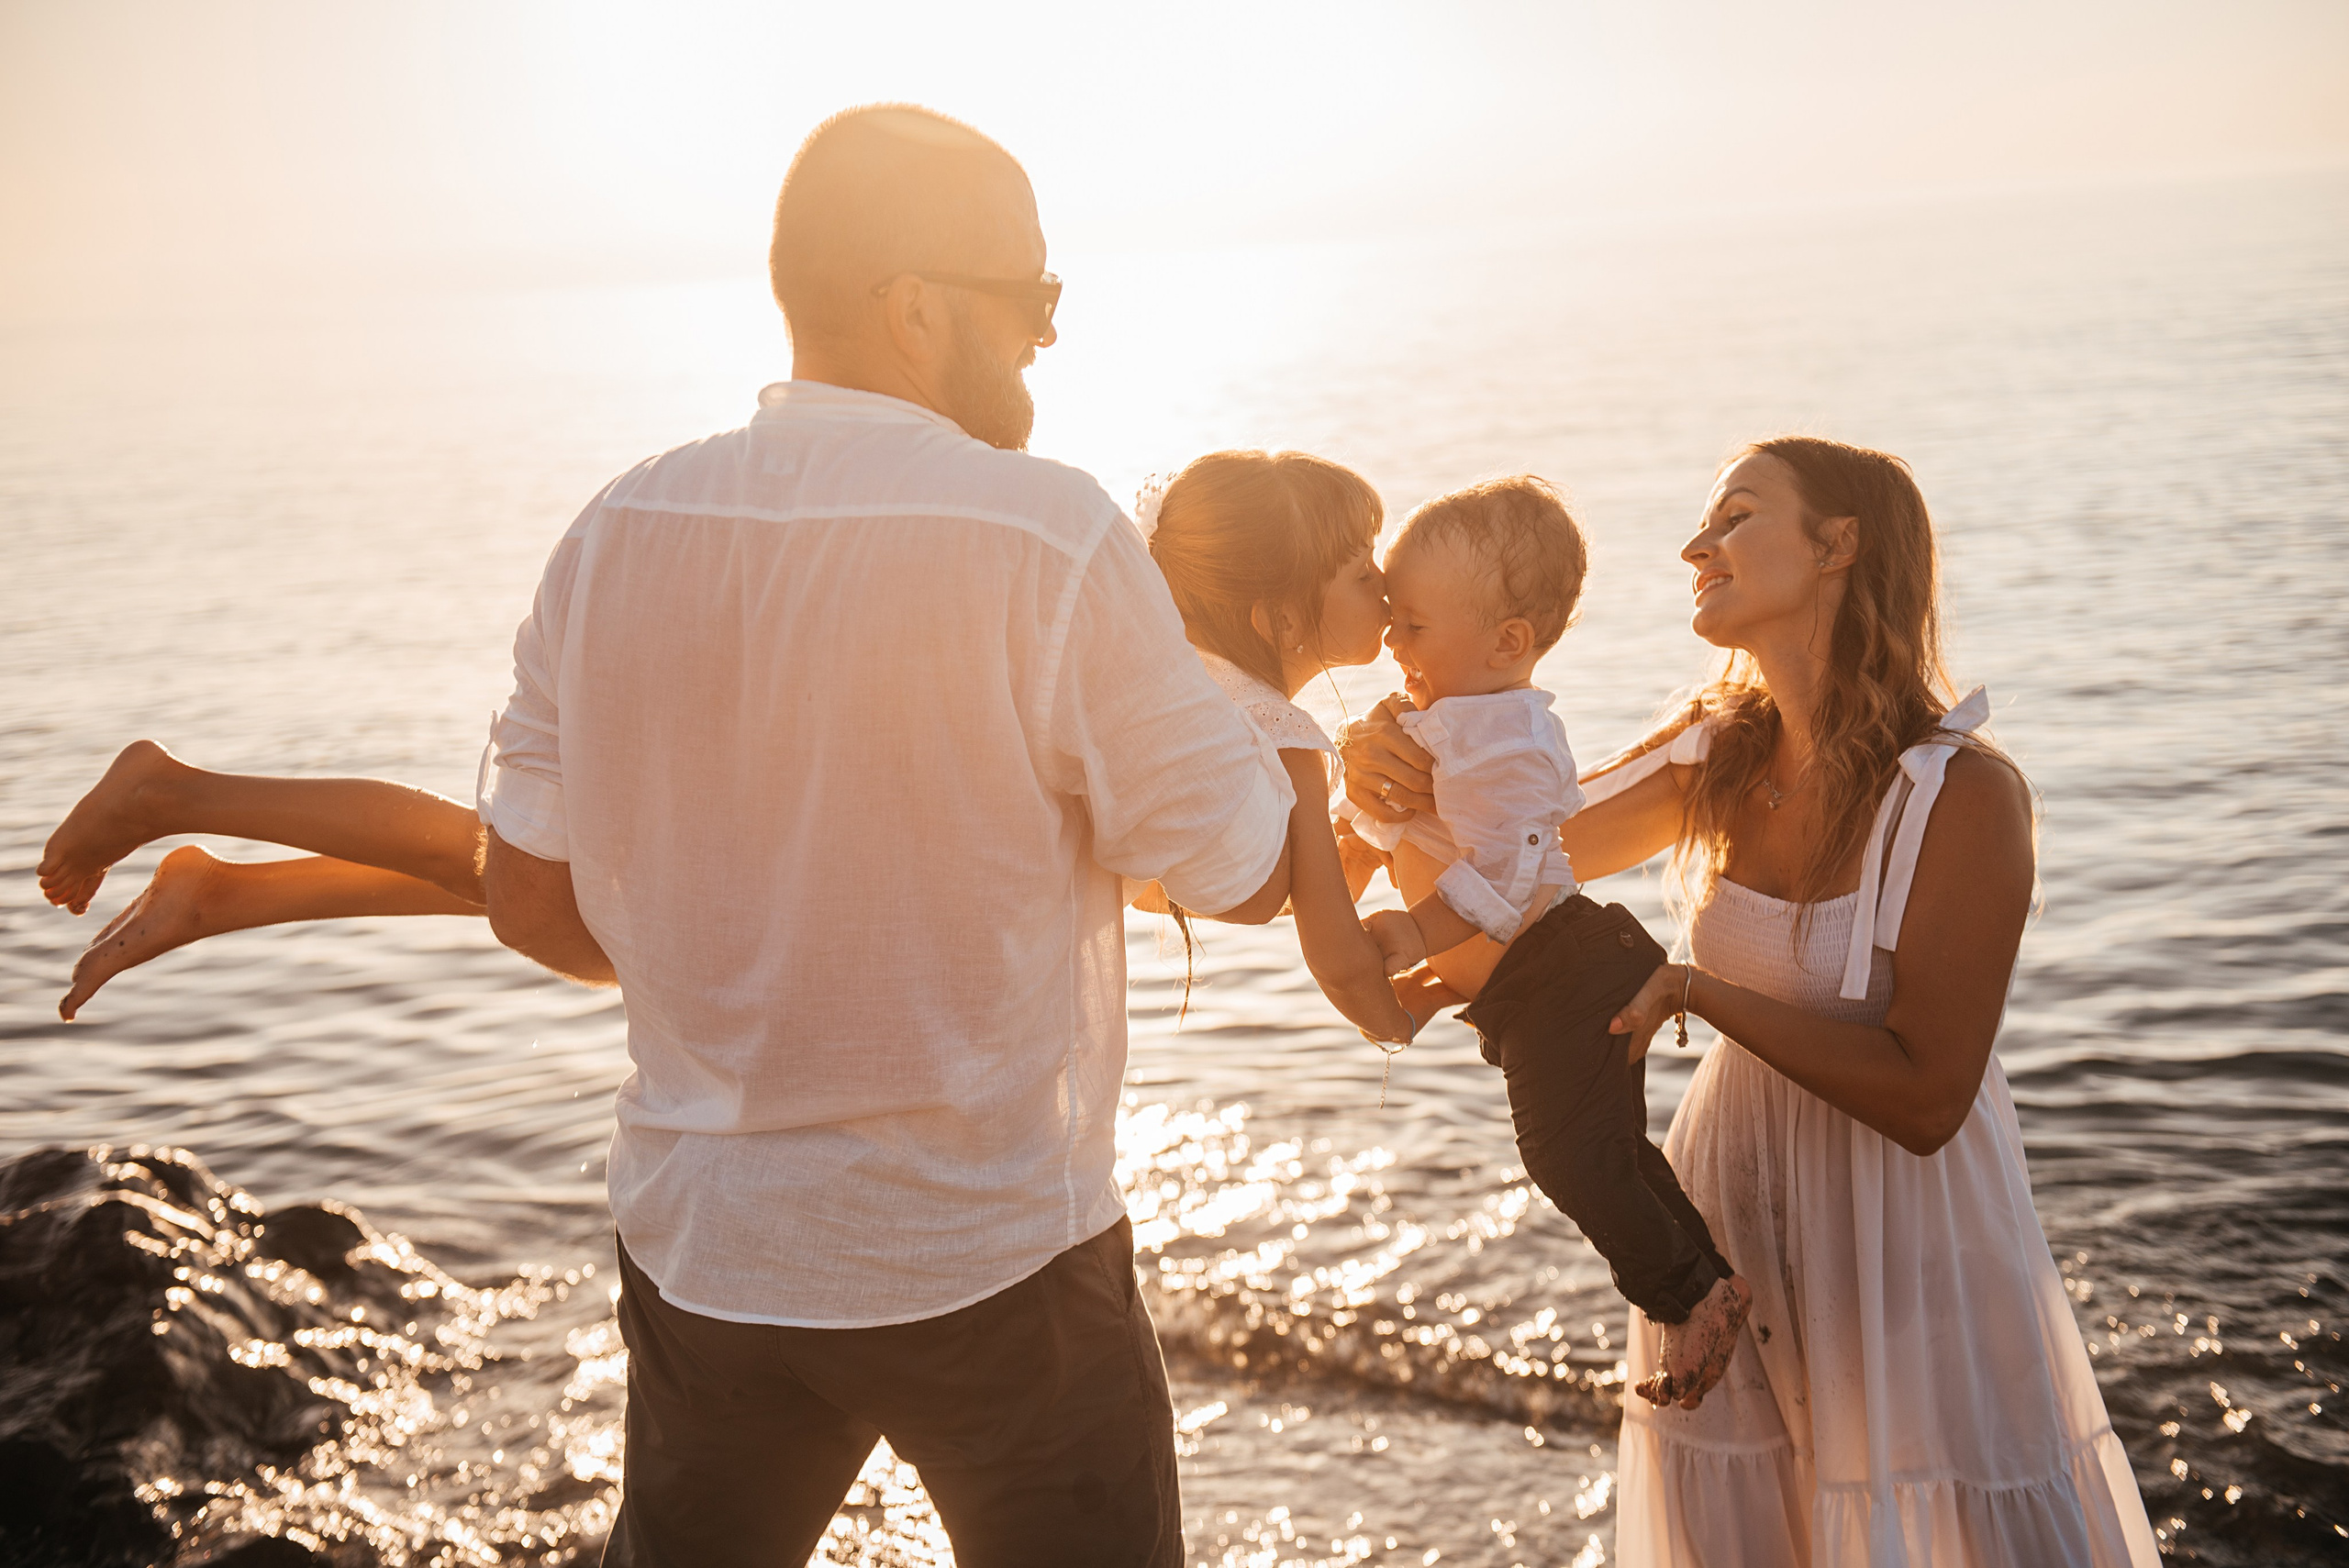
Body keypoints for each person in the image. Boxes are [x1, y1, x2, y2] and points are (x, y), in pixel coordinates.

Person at [42, 104, 1317, 1568]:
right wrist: (1272, 719)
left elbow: (523, 901)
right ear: (915, 306)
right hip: (993, 1267)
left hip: (712, 1260)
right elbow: (1236, 870)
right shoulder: (1050, 536)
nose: (1046, 335)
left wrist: (725, 971)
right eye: (1033, 297)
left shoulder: (611, 532)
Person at [1341, 437, 2160, 1566]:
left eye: (1733, 516)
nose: (1695, 544)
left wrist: (1696, 989)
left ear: (1838, 544)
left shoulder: (1964, 795)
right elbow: (1516, 857)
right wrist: (1399, 761)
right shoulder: (1716, 752)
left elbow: (1928, 1095)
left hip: (1901, 1227)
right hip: (1730, 1206)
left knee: (1935, 1527)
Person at [1344, 476, 1752, 1407]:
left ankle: (1691, 1293)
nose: (1388, 642)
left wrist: (1417, 932)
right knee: (1605, 1148)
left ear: (1508, 639)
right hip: (1545, 973)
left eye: (1411, 624)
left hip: (1567, 969)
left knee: (1569, 1155)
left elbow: (1517, 871)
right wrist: (1444, 979)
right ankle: (1706, 1282)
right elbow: (1416, 844)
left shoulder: (1509, 740)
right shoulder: (1454, 720)